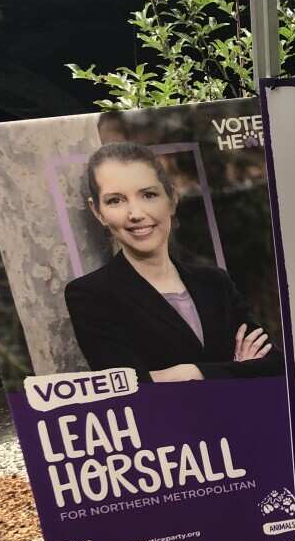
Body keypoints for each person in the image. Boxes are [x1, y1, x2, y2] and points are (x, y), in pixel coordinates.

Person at [65, 142, 281, 383]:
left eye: (148, 195)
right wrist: (234, 369)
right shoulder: (90, 295)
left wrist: (187, 373)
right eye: (115, 200)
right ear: (98, 212)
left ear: (172, 200)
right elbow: (131, 389)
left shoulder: (214, 282)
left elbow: (273, 365)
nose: (135, 213)